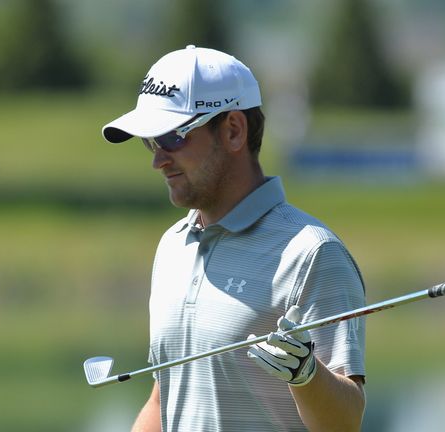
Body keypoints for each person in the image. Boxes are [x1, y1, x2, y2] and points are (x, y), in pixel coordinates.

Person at [101, 45, 366, 432]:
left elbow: (345, 423)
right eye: (151, 142)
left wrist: (308, 376)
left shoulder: (311, 253)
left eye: (173, 138)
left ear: (233, 130)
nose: (158, 160)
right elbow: (166, 397)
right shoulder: (173, 246)